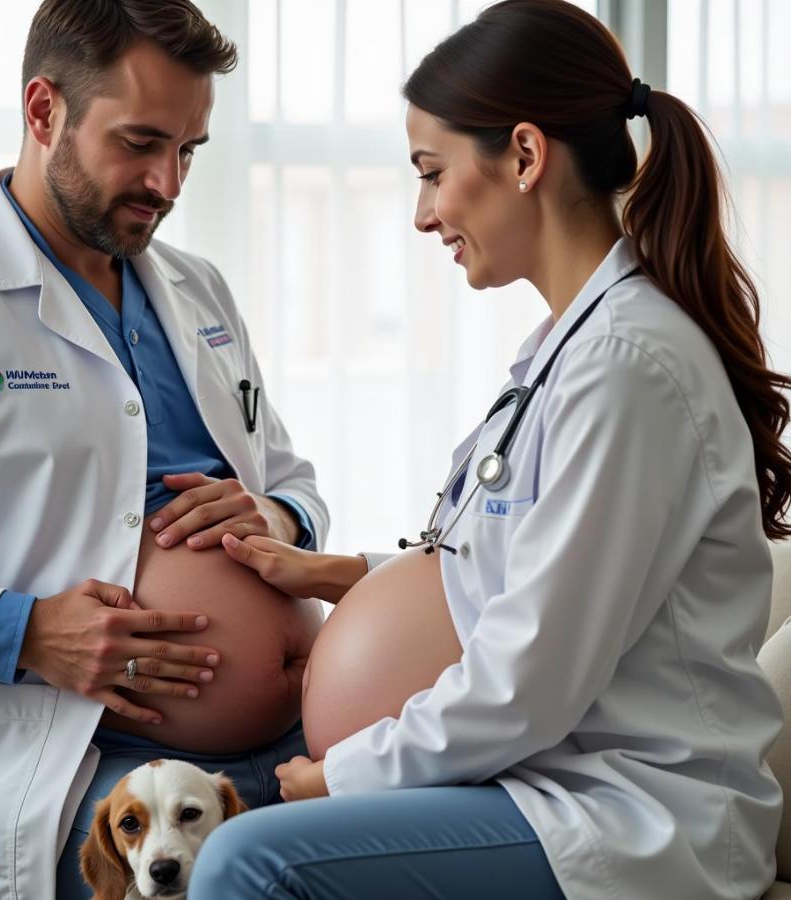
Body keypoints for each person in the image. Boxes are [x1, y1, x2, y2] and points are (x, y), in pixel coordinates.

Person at [189, 1, 791, 898]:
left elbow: (530, 680)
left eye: (432, 173)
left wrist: (345, 775)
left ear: (523, 155)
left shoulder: (625, 366)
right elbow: (518, 561)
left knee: (252, 858)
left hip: (627, 813)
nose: (425, 214)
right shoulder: (571, 348)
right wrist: (343, 574)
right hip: (551, 779)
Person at [0, 2, 329, 898]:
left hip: (294, 739)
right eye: (140, 142)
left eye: (190, 151)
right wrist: (23, 634)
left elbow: (293, 480)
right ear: (44, 111)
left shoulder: (197, 291)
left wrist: (277, 515)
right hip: (82, 769)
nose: (168, 182)